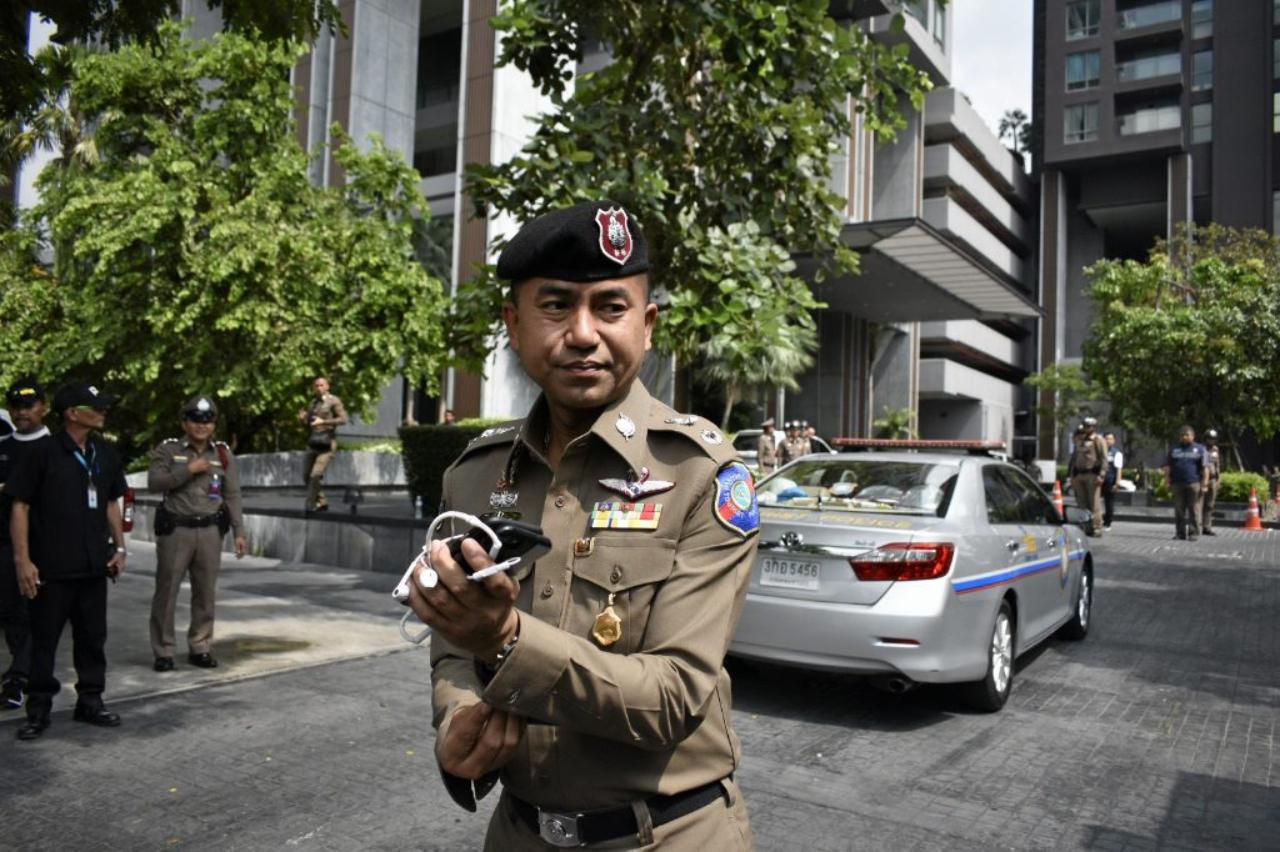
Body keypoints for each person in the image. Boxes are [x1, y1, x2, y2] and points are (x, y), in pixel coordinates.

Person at [405, 201, 758, 849]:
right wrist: (456, 717)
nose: (584, 333)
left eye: (611, 307)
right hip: (519, 832)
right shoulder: (475, 476)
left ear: (647, 326)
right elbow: (455, 643)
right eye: (557, 305)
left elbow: (675, 694)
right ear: (514, 324)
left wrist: (508, 639)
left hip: (669, 834)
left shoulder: (701, 473)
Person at [8, 383, 127, 740]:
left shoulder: (105, 453)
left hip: (93, 566)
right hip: (52, 568)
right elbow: (20, 506)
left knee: (93, 639)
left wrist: (120, 548)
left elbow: (111, 502)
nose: (103, 412)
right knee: (44, 642)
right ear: (73, 413)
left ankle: (90, 700)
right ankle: (38, 710)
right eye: (95, 407)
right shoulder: (42, 453)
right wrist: (23, 560)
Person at [147, 395, 247, 672]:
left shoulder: (222, 454)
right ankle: (164, 650)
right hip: (177, 530)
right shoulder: (169, 450)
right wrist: (188, 471)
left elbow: (233, 494)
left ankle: (200, 646)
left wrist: (239, 531)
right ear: (184, 422)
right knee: (167, 591)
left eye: (208, 421)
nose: (202, 426)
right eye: (195, 420)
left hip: (210, 531)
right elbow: (155, 482)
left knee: (205, 593)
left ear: (214, 425)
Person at [0, 377, 51, 710]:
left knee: (39, 613)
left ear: (43, 407)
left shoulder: (56, 448)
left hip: (45, 546)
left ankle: (20, 677)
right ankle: (22, 672)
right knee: (11, 613)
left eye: (29, 405)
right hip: (5, 544)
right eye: (16, 406)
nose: (22, 412)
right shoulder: (3, 447)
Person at [297, 376, 347, 513]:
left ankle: (309, 505)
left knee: (316, 474)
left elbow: (343, 419)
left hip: (327, 442)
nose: (319, 388)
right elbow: (310, 422)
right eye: (316, 386)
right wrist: (303, 419)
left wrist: (324, 422)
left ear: (327, 386)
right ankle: (322, 501)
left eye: (322, 385)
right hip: (313, 441)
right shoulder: (313, 403)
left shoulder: (334, 401)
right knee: (306, 475)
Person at [1163, 424, 1209, 541]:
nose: (1184, 437)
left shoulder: (1200, 449)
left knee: (1194, 509)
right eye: (1182, 435)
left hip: (1194, 483)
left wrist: (1204, 484)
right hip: (1177, 484)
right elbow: (1168, 466)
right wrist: (1167, 480)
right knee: (1179, 509)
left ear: (1193, 436)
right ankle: (1180, 533)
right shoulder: (1174, 449)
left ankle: (1193, 533)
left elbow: (1205, 468)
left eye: (1187, 435)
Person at [1069, 417, 1107, 537]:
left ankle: (1096, 527)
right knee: (1082, 503)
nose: (1087, 428)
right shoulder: (1080, 440)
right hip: (1079, 474)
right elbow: (1074, 458)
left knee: (1094, 504)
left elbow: (1104, 458)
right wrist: (1072, 475)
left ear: (1094, 427)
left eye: (1089, 426)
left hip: (1092, 475)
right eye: (1085, 426)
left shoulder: (1098, 440)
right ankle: (1085, 526)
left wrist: (1101, 475)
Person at [1101, 431, 1124, 532]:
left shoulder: (1116, 453)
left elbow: (1119, 469)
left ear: (1114, 441)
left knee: (1109, 502)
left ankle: (1108, 522)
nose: (1108, 441)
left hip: (1110, 480)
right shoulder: (1099, 452)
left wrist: (1117, 482)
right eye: (1106, 439)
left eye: (1110, 439)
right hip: (1098, 480)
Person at [1201, 428, 1221, 536]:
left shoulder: (1215, 450)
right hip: (1202, 479)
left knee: (1210, 504)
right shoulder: (1201, 449)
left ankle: (1207, 527)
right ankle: (1197, 526)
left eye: (1213, 439)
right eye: (1209, 439)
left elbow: (1217, 465)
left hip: (1213, 479)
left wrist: (1218, 479)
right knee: (1199, 504)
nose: (1211, 441)